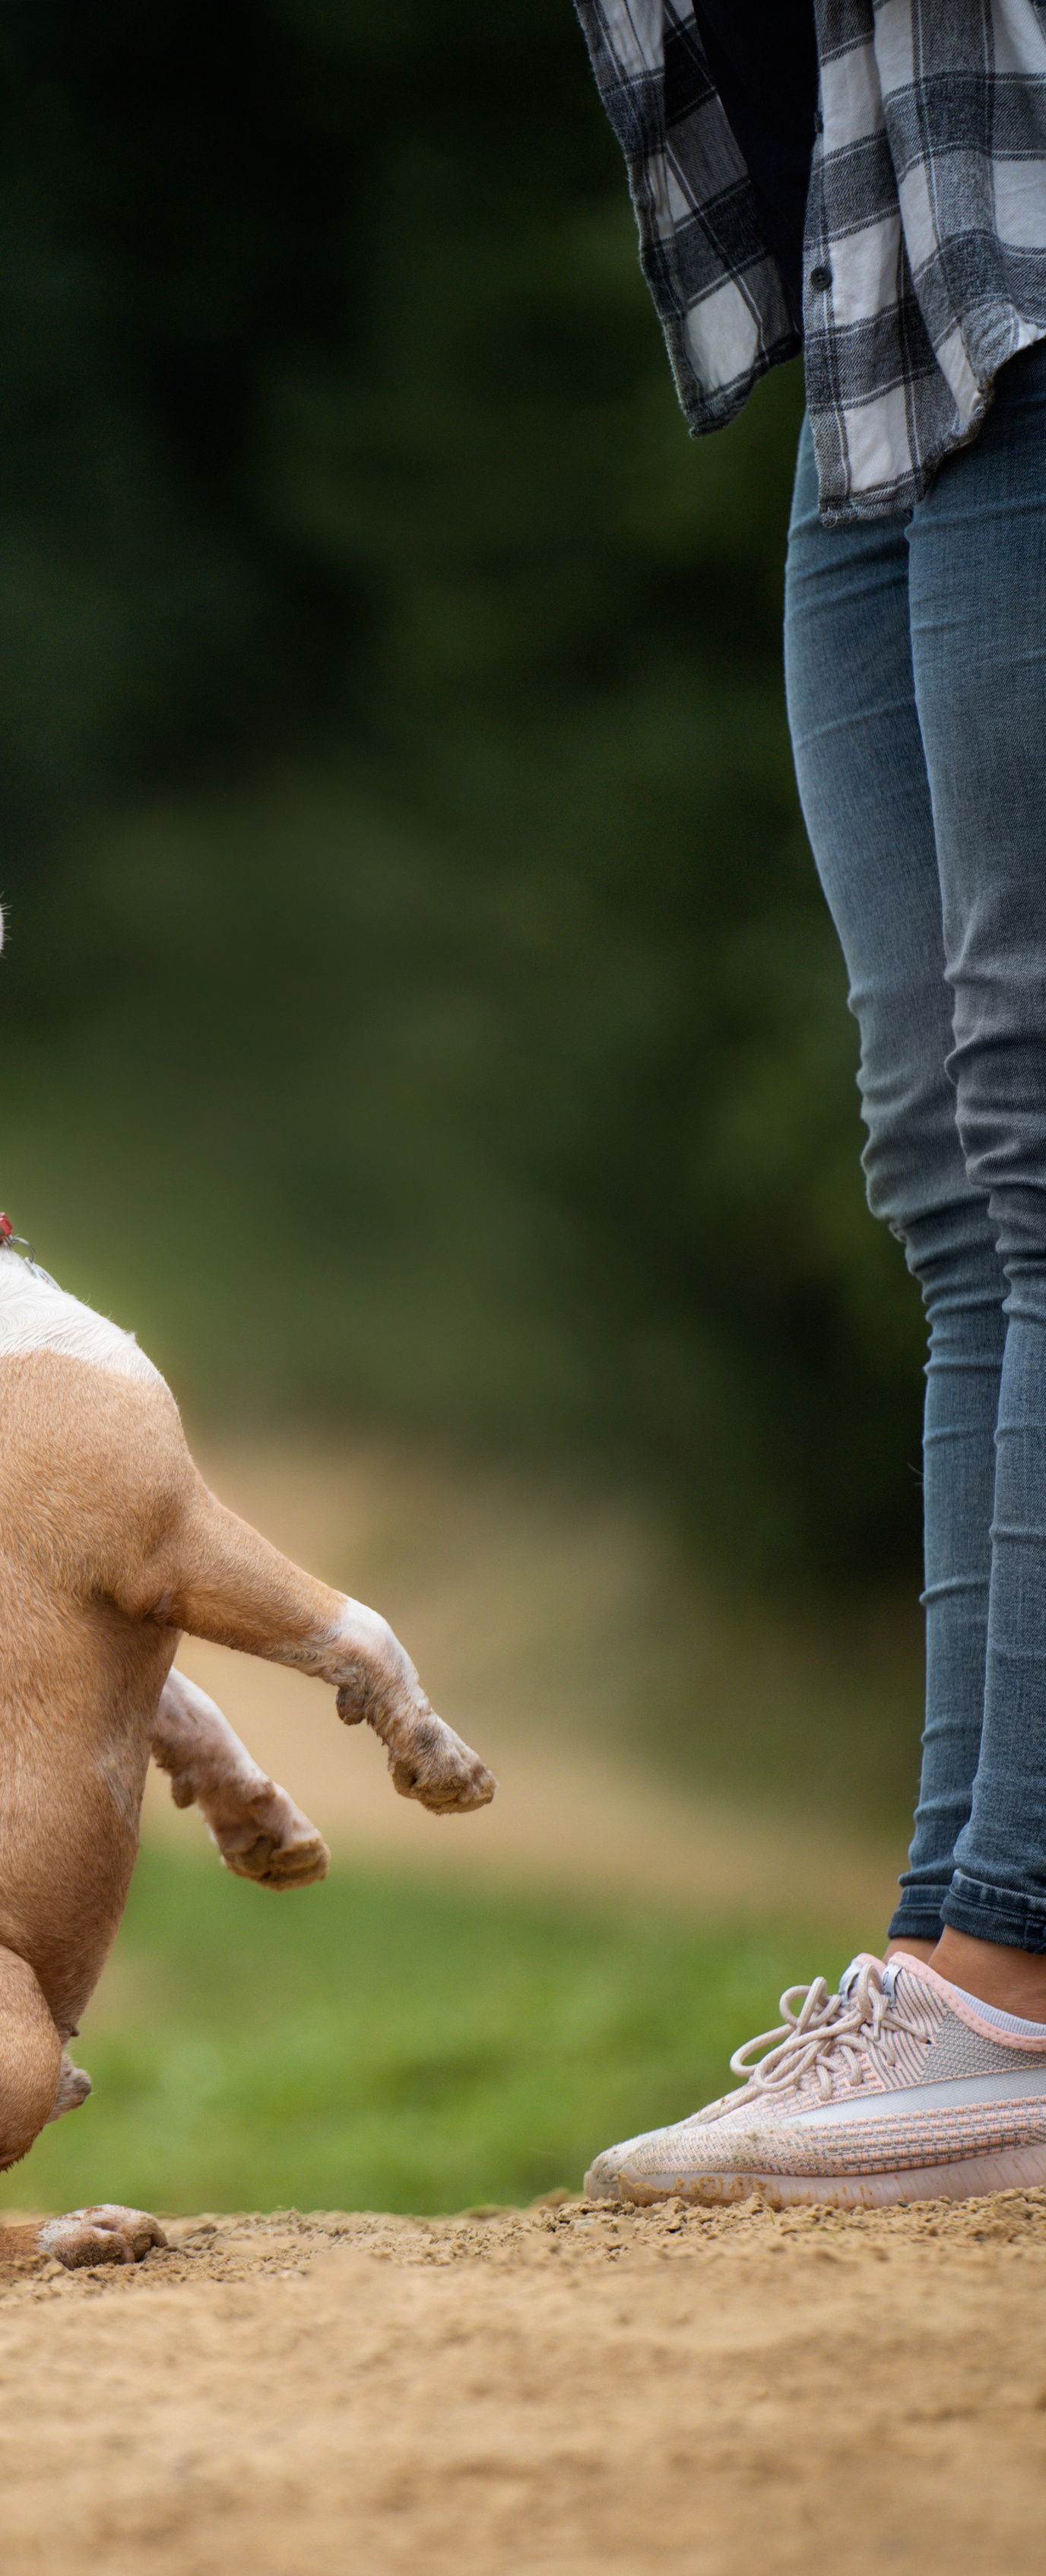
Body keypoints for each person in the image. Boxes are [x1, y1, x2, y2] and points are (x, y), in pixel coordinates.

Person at [572, 0, 1046, 2200]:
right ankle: (952, 1963)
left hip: (1024, 218)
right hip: (884, 268)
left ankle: (1007, 1971)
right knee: (950, 1163)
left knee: (1041, 1133)